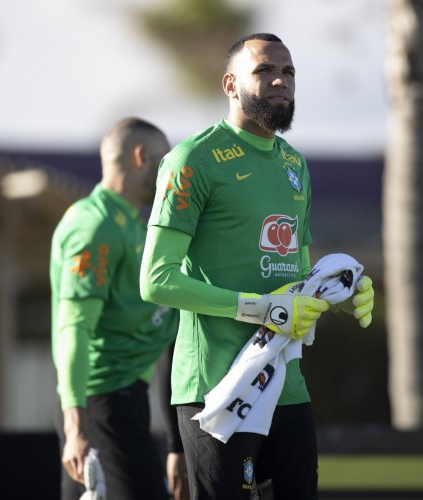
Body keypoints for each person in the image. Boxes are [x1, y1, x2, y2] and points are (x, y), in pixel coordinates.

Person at [139, 33, 375, 499]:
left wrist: (341, 295)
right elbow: (157, 280)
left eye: (287, 72)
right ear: (231, 84)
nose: (280, 81)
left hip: (286, 382)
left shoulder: (295, 165)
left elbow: (297, 281)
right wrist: (258, 308)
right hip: (218, 388)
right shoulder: (193, 159)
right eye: (264, 70)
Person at [50, 117, 188, 500]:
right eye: (165, 163)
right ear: (141, 156)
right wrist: (77, 425)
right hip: (101, 405)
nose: (170, 175)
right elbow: (73, 328)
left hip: (123, 399)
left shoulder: (133, 225)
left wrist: (177, 444)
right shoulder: (95, 226)